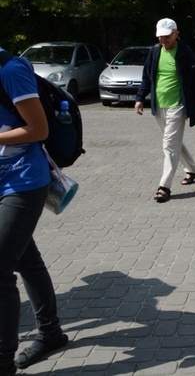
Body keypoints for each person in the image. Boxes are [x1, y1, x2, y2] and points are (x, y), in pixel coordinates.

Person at [0, 48, 67, 374]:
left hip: (22, 183)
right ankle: (51, 333)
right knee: (26, 259)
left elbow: (38, 129)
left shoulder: (10, 70)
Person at [135, 18, 195, 203]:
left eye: (167, 36)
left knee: (169, 143)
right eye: (160, 36)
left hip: (178, 104)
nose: (163, 39)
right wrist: (139, 98)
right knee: (173, 142)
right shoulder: (154, 52)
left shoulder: (185, 52)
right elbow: (146, 77)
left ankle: (164, 186)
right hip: (159, 105)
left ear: (176, 33)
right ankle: (192, 169)